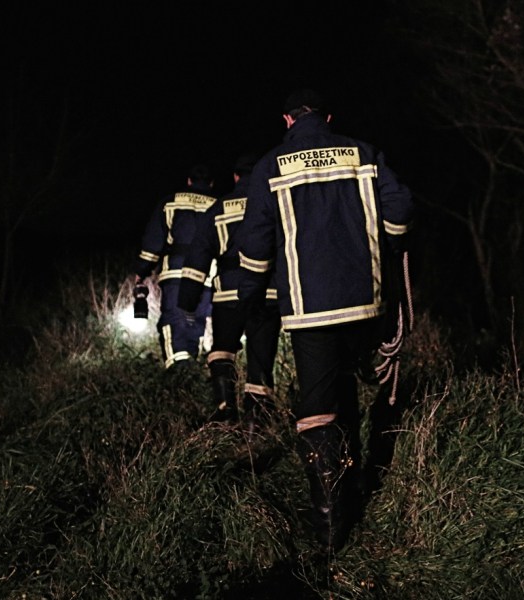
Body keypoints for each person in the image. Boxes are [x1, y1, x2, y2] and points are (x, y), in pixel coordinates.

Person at [237, 88, 415, 553]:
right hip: (364, 301)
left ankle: (330, 522)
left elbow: (255, 242)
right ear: (329, 117)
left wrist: (251, 297)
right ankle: (353, 487)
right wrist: (392, 244)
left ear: (287, 120)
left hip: (309, 307)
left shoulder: (271, 166)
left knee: (317, 406)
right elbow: (400, 208)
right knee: (349, 389)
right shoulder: (364, 152)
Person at [177, 153, 282, 430]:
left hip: (228, 296)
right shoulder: (273, 204)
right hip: (267, 294)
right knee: (261, 356)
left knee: (222, 351)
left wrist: (188, 299)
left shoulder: (218, 208)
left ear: (236, 177)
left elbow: (199, 254)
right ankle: (257, 422)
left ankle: (225, 410)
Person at [131, 163, 218, 371]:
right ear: (211, 183)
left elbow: (153, 242)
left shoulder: (170, 203)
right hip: (206, 274)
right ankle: (192, 366)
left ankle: (178, 370)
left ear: (188, 181)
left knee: (173, 318)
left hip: (176, 272)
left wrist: (142, 271)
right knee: (196, 319)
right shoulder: (219, 205)